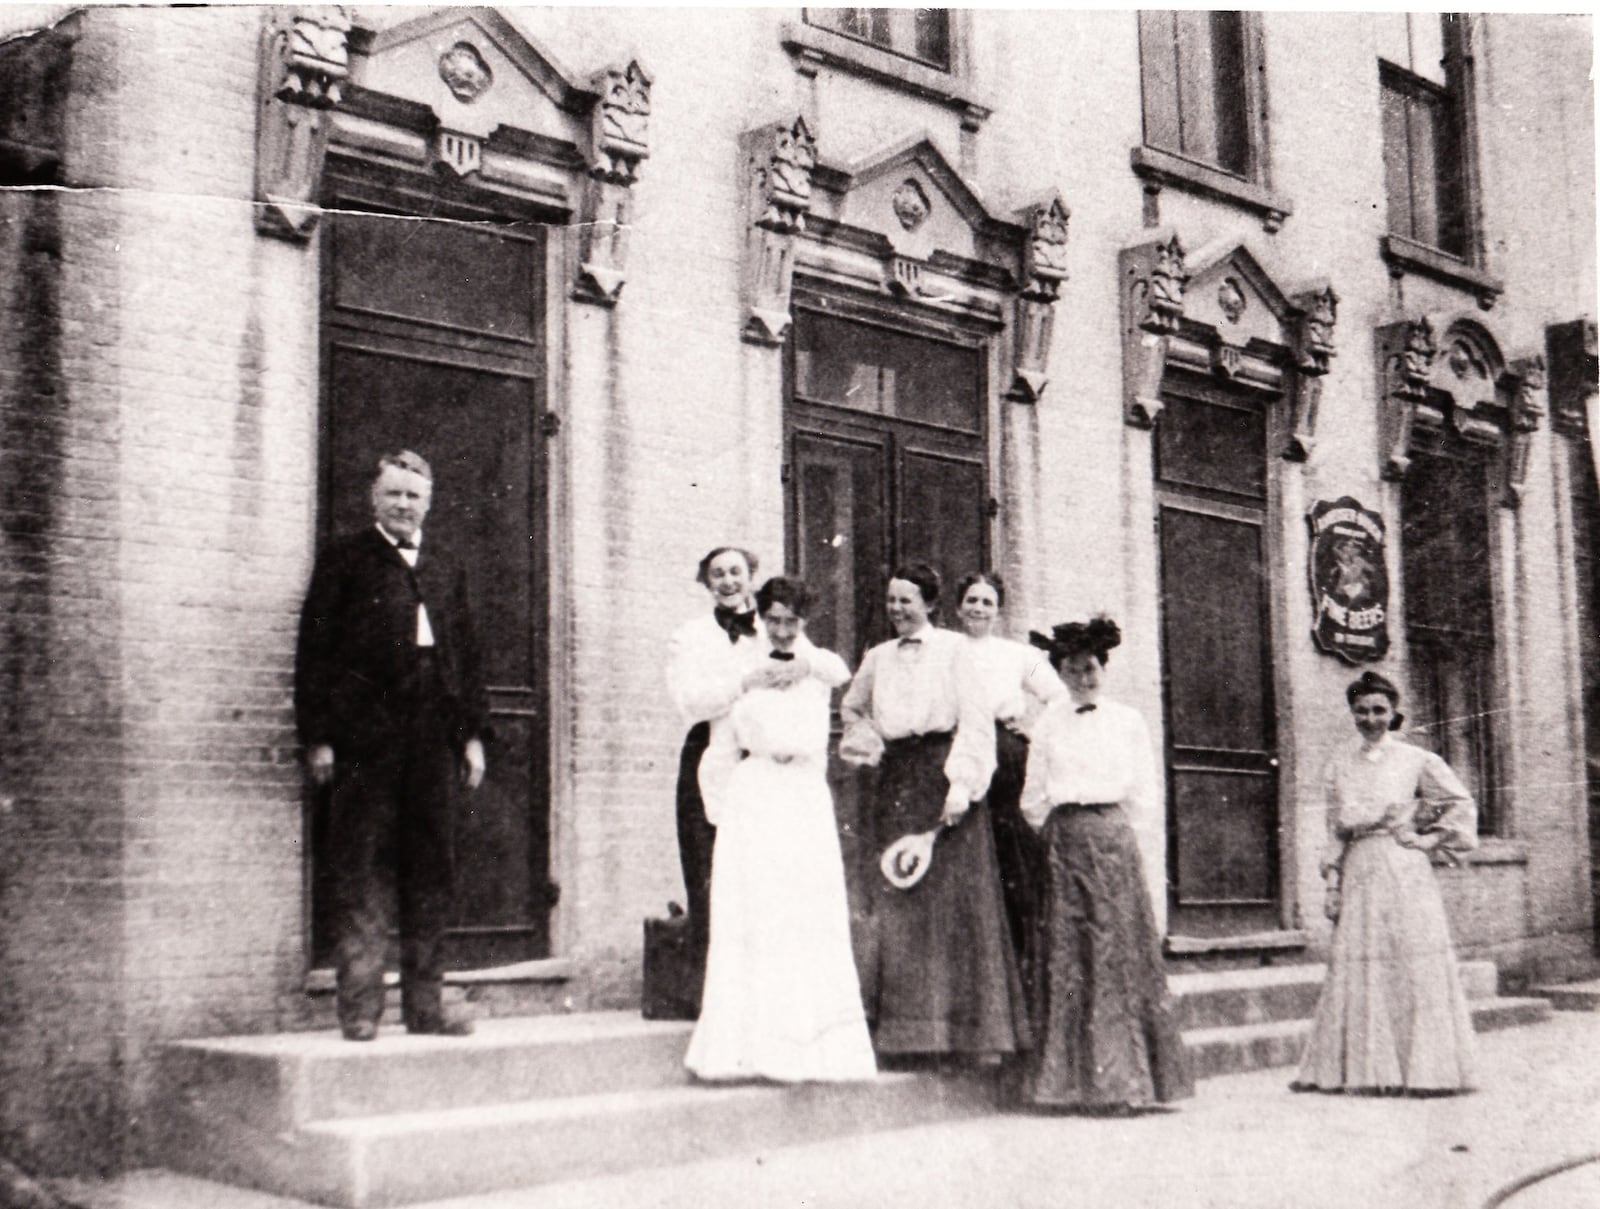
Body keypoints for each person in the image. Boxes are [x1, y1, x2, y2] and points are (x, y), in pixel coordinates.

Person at [295, 450, 487, 1041]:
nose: (404, 505)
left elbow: (466, 657)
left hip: (433, 741)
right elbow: (315, 654)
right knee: (362, 870)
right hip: (364, 743)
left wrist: (472, 736)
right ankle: (359, 1010)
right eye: (394, 495)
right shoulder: (345, 560)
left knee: (432, 872)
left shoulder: (445, 564)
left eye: (414, 496)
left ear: (429, 502)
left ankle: (426, 1008)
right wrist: (320, 737)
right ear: (374, 500)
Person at [685, 577, 877, 1083]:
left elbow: (840, 671)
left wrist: (801, 664)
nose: (783, 630)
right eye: (774, 620)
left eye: (793, 621)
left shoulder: (817, 664)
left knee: (805, 914)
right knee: (754, 915)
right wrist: (751, 680)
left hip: (802, 796)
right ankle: (745, 1048)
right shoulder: (743, 665)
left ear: (804, 622)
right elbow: (717, 734)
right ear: (761, 617)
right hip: (755, 795)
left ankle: (807, 1048)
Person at [839, 564, 1029, 1061]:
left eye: (906, 600)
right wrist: (866, 740)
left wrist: (963, 784)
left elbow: (976, 720)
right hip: (897, 782)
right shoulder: (877, 657)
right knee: (898, 902)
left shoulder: (954, 650)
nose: (897, 609)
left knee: (950, 909)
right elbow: (852, 709)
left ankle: (960, 1036)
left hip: (943, 777)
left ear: (929, 604)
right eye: (891, 600)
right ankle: (902, 1036)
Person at [1019, 617, 1193, 1112]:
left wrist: (1119, 837)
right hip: (1067, 844)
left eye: (1090, 668)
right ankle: (1069, 1085)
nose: (1083, 678)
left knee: (1114, 959)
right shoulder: (1048, 722)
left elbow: (1143, 791)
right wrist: (1061, 831)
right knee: (1071, 959)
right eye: (1072, 669)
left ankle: (1126, 1085)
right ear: (1061, 673)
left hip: (1114, 843)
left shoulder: (1127, 720)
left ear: (1103, 668)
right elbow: (1033, 797)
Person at [1293, 670, 1479, 1095]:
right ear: (1352, 713)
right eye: (1361, 711)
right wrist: (1333, 883)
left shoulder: (1417, 760)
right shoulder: (1339, 763)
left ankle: (1426, 1072)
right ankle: (1361, 1071)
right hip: (1360, 868)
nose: (1371, 719)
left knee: (1411, 959)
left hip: (1404, 868)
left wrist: (1427, 839)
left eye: (1379, 710)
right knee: (1360, 962)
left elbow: (1459, 806)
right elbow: (1334, 830)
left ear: (1394, 712)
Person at [665, 546, 769, 1012]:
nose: (728, 581)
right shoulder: (690, 636)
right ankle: (715, 1000)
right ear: (706, 583)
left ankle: (760, 993)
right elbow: (690, 700)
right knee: (707, 875)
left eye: (736, 572)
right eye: (717, 574)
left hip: (763, 758)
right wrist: (744, 685)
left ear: (751, 577)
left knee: (759, 876)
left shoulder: (775, 630)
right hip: (707, 755)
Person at [953, 572, 1064, 975]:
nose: (978, 609)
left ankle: (1019, 968)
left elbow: (1058, 696)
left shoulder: (1016, 654)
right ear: (957, 607)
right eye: (971, 600)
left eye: (986, 602)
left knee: (1011, 860)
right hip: (959, 753)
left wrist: (1031, 730)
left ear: (998, 611)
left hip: (1005, 758)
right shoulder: (948, 650)